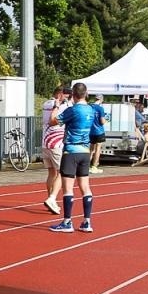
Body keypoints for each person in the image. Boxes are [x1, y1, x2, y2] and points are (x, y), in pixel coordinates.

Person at [51, 81, 98, 233]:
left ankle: (67, 222)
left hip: (71, 151)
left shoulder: (73, 110)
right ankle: (86, 222)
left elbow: (53, 121)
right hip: (85, 152)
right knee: (86, 188)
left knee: (68, 189)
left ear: (73, 94)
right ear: (86, 93)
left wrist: (57, 106)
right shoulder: (91, 110)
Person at [40, 84, 71, 213]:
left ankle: (50, 198)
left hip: (45, 142)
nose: (67, 99)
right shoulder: (62, 106)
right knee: (62, 172)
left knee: (51, 173)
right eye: (66, 96)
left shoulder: (45, 104)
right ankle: (52, 199)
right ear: (60, 94)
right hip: (56, 143)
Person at [88, 93, 109, 174]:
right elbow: (102, 121)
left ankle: (86, 166)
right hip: (99, 131)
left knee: (91, 149)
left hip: (90, 130)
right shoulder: (100, 108)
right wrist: (105, 121)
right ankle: (94, 166)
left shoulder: (90, 107)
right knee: (98, 149)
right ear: (101, 99)